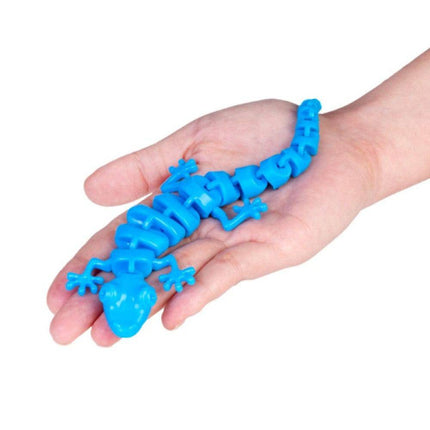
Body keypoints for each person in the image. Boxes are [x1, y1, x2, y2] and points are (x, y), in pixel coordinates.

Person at [47, 49, 430, 346]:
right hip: (187, 192)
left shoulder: (134, 267)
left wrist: (242, 213)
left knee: (249, 198)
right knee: (232, 207)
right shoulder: (128, 266)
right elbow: (103, 266)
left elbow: (102, 267)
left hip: (197, 200)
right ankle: (294, 145)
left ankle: (286, 156)